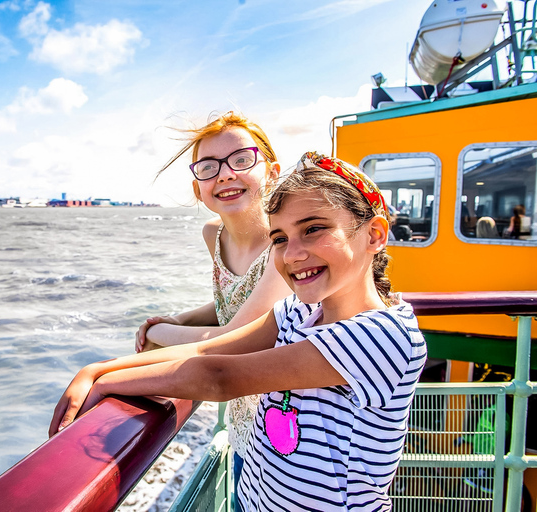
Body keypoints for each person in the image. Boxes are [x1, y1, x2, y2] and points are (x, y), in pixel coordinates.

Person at [50, 152, 427, 511]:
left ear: (375, 234)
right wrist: (100, 368)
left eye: (313, 229)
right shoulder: (300, 310)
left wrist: (105, 383)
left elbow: (218, 377)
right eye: (279, 238)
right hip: (255, 499)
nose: (293, 254)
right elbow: (211, 352)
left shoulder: (383, 335)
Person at [134, 111, 292, 481]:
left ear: (271, 172)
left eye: (241, 160)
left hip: (290, 425)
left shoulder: (285, 245)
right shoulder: (213, 234)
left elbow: (233, 338)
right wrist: (179, 320)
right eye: (208, 167)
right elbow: (231, 301)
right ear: (197, 188)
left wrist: (156, 334)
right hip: (243, 422)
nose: (225, 174)